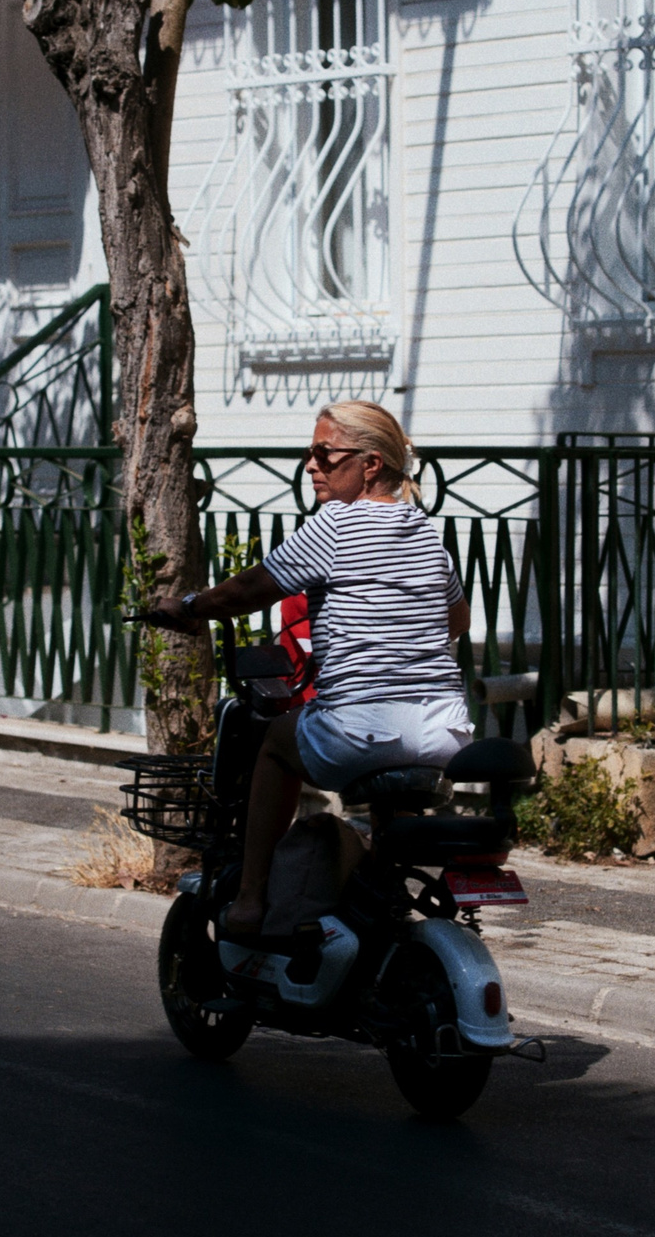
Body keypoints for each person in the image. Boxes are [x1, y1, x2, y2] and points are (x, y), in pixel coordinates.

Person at [143, 400, 470, 938]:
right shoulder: (427, 533)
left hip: (359, 729)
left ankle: (250, 899)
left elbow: (250, 589)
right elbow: (455, 618)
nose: (310, 465)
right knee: (389, 786)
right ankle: (382, 898)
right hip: (445, 734)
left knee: (275, 743)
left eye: (323, 453)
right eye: (308, 453)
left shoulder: (335, 525)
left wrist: (189, 606)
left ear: (369, 464)